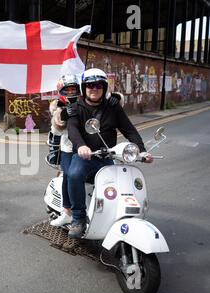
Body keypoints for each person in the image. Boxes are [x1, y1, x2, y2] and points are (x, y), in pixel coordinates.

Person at [66, 68, 153, 239]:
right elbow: (72, 129)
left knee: (120, 185)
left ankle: (116, 215)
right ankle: (78, 218)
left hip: (107, 157)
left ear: (104, 88)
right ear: (84, 88)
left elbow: (130, 130)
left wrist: (142, 151)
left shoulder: (113, 107)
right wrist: (82, 146)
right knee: (74, 174)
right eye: (90, 85)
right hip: (85, 157)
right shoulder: (76, 107)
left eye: (99, 85)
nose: (94, 89)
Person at [48, 74, 80, 227]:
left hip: (90, 146)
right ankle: (67, 212)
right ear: (61, 91)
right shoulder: (57, 106)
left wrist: (115, 98)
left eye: (74, 88)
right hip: (69, 148)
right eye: (68, 89)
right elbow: (56, 129)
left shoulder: (86, 101)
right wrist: (63, 115)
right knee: (69, 174)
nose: (72, 92)